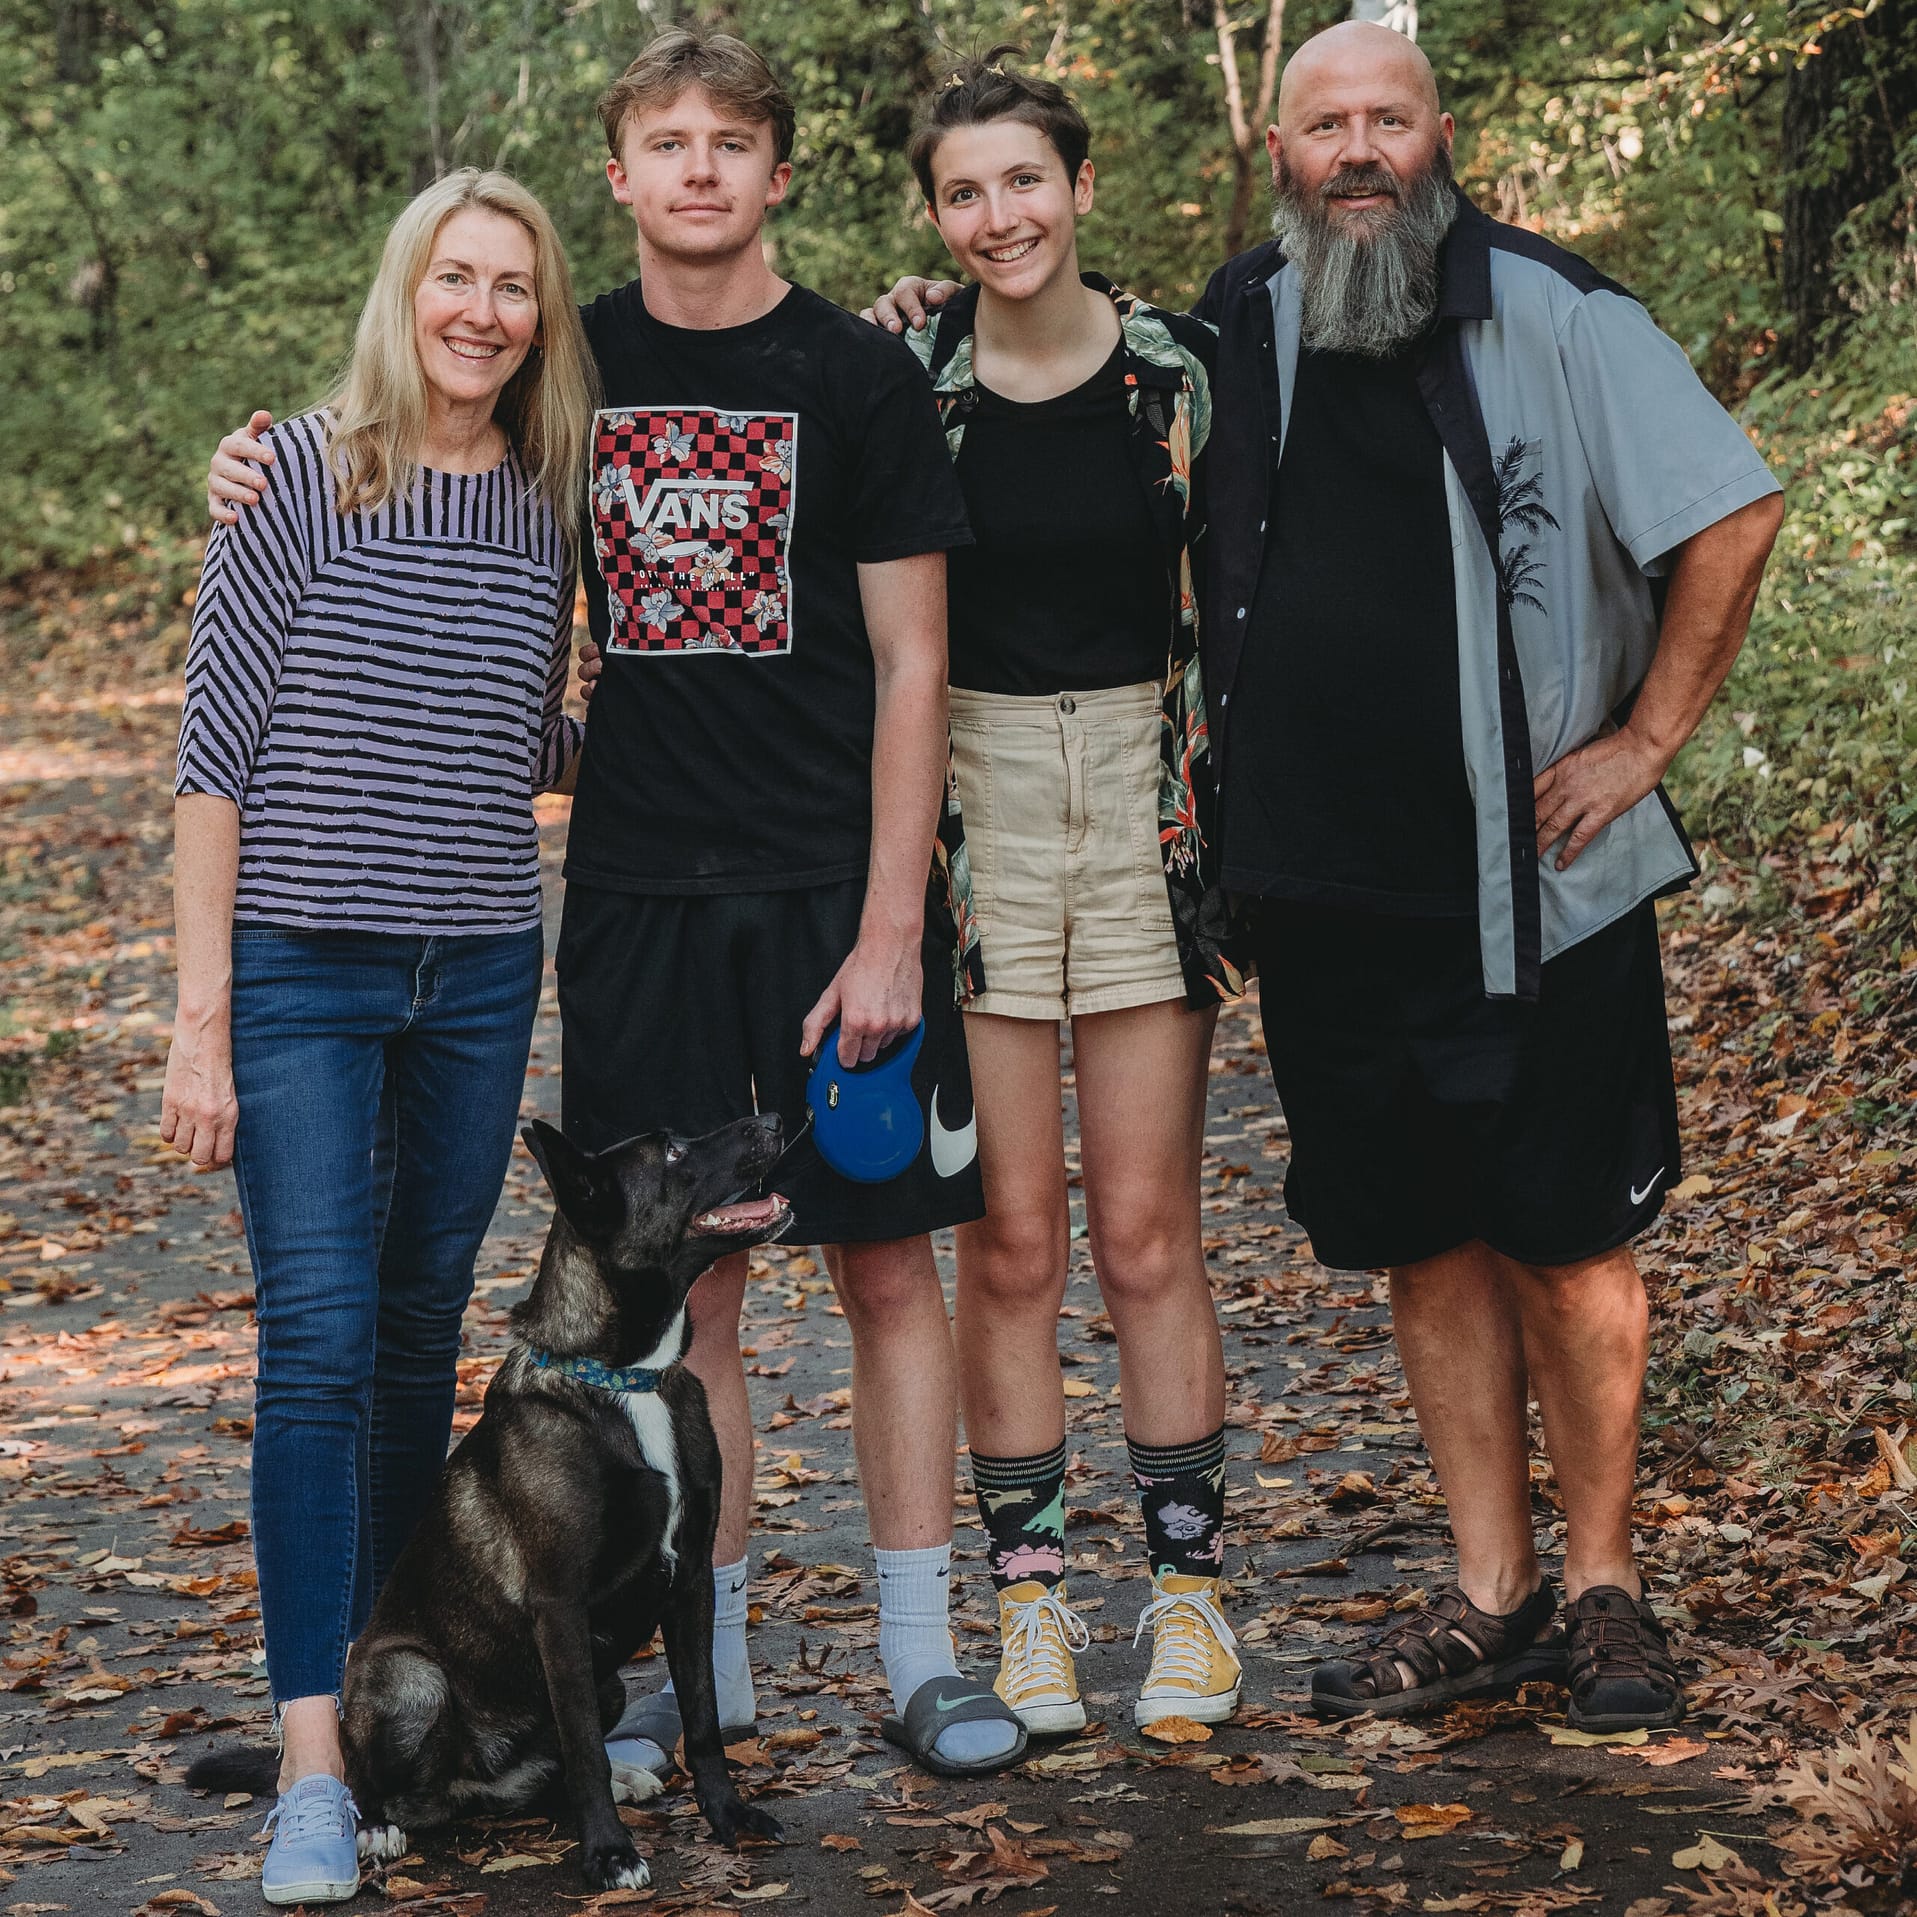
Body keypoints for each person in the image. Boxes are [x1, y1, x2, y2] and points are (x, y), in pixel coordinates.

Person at [875, 21, 1784, 1732]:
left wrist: (1643, 742)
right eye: (1324, 125)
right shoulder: (1242, 324)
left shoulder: (1554, 308)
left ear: (1438, 133)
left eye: (1386, 119)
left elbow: (1727, 510)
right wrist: (904, 331)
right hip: (1320, 889)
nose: (1355, 150)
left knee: (1568, 1239)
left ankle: (1603, 1586)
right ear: (1277, 150)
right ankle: (1489, 1586)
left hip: (1538, 875)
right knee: (1423, 1236)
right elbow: (1063, 370)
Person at [208, 28, 1025, 1782]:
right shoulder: (571, 377)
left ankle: (919, 1652)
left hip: (828, 892)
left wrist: (895, 925)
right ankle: (707, 1674)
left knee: (890, 1270)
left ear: (779, 170)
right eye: (669, 142)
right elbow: (412, 458)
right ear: (623, 174)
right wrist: (258, 465)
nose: (703, 170)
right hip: (638, 892)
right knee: (691, 1305)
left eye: (735, 141)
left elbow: (912, 662)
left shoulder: (854, 376)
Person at [165, 168, 595, 1903]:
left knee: (422, 1337)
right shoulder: (297, 479)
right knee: (319, 1349)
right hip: (297, 973)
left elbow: (524, 737)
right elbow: (213, 760)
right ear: (405, 289)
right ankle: (316, 1764)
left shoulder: (549, 499)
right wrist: (200, 1020)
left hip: (480, 966)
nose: (482, 311)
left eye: (516, 288)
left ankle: (411, 1696)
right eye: (456, 278)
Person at [893, 53, 1245, 1736]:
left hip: (1143, 804)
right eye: (962, 193)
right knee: (1013, 1240)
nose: (995, 218)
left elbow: (1245, 593)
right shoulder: (907, 376)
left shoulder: (1179, 373)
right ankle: (1031, 1606)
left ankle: (1186, 1601)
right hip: (971, 811)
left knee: (1145, 1231)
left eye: (1021, 181)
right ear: (936, 217)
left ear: (1080, 188)